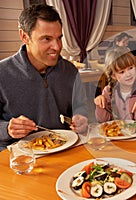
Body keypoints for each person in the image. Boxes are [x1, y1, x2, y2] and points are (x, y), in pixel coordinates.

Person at [0, 4, 88, 151]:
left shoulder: (70, 71)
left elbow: (80, 106)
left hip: (65, 149)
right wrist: (7, 129)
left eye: (59, 38)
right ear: (24, 37)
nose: (57, 47)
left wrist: (81, 117)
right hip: (19, 158)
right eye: (46, 39)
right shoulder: (2, 73)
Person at [94, 47, 136, 123]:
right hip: (116, 133)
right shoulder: (107, 91)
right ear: (113, 76)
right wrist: (99, 105)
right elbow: (102, 120)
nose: (128, 74)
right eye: (122, 72)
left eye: (130, 68)